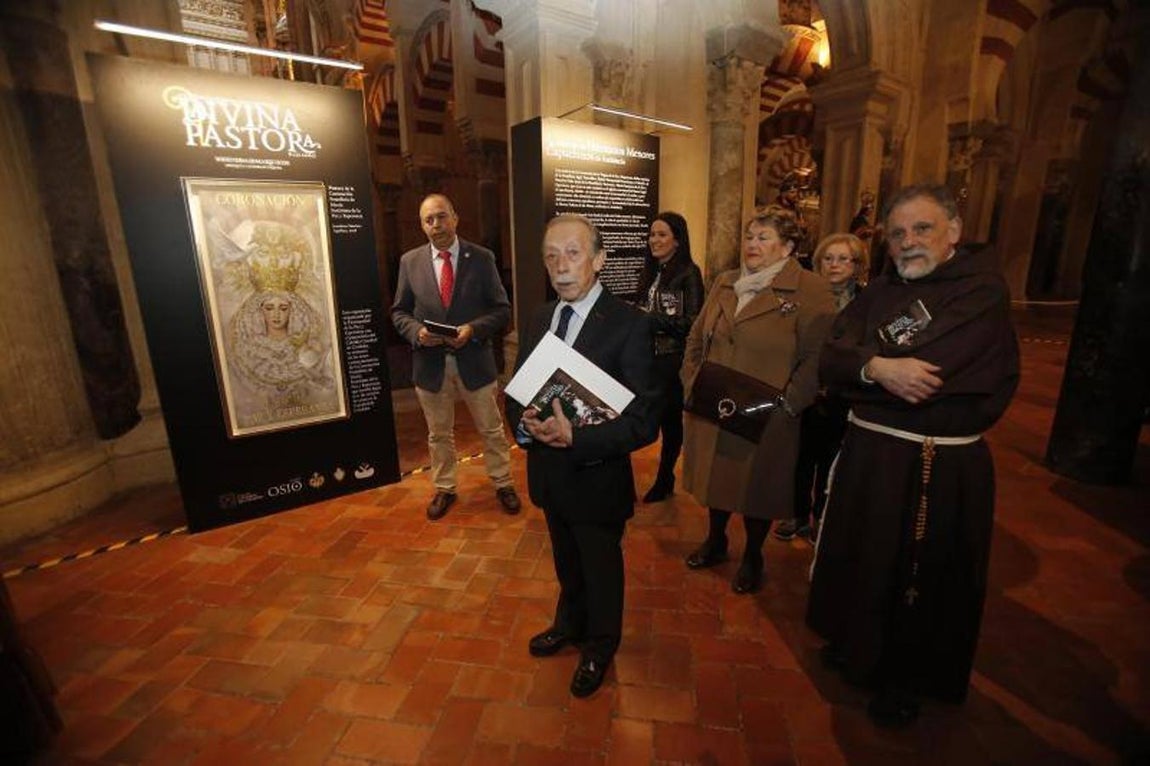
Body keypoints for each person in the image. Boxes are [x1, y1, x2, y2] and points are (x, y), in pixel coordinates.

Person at [806, 183, 1020, 727]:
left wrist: (862, 364)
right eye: (897, 233)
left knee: (915, 575)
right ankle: (858, 648)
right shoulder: (879, 289)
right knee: (861, 558)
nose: (908, 242)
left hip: (932, 463)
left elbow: (932, 371)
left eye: (922, 229)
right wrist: (876, 368)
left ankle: (905, 676)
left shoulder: (980, 292)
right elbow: (830, 359)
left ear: (954, 231)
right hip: (868, 455)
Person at [506, 214, 658, 698]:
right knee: (566, 563)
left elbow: (643, 423)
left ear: (598, 260)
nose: (560, 266)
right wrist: (524, 427)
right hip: (549, 475)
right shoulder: (538, 317)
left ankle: (600, 644)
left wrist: (578, 439)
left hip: (596, 479)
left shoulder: (630, 326)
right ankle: (569, 624)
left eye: (572, 253)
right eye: (551, 256)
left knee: (600, 569)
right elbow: (517, 391)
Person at [680, 206, 835, 594]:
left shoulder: (810, 289)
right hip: (716, 402)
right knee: (717, 480)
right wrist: (692, 381)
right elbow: (697, 337)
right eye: (749, 236)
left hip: (767, 410)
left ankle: (753, 555)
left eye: (763, 237)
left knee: (756, 487)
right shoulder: (725, 281)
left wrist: (790, 403)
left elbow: (818, 357)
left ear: (787, 247)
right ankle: (716, 540)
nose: (752, 244)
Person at [391, 193, 521, 520]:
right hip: (430, 365)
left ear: (455, 218)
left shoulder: (482, 258)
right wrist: (417, 332)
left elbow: (502, 310)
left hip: (474, 361)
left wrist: (473, 330)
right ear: (422, 226)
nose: (437, 225)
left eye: (442, 217)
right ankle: (445, 487)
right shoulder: (410, 262)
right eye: (429, 220)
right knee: (438, 434)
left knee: (491, 429)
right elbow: (399, 312)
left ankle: (503, 482)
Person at [774, 233, 869, 542]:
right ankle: (797, 515)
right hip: (806, 391)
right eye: (828, 258)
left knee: (831, 461)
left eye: (843, 259)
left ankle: (821, 516)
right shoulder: (807, 295)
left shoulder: (866, 302)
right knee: (800, 457)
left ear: (857, 265)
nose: (834, 265)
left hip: (844, 395)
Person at [635, 211, 704, 502]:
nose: (654, 240)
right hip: (647, 358)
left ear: (677, 240)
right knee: (645, 418)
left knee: (670, 423)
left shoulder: (689, 272)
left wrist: (651, 319)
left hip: (672, 360)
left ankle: (665, 478)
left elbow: (693, 322)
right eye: (652, 234)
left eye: (662, 234)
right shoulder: (651, 271)